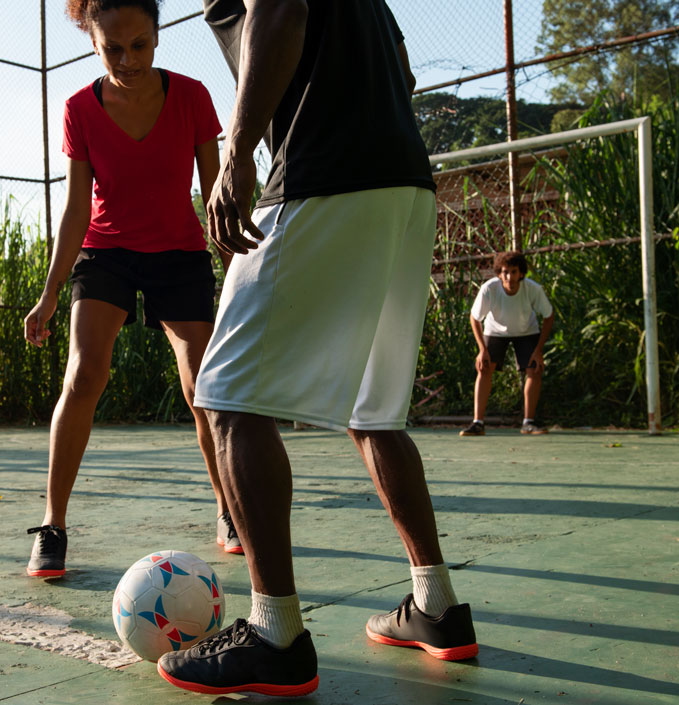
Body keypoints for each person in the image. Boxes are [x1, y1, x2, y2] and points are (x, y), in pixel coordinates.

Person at [156, 0, 478, 696]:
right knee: (374, 410)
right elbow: (402, 71)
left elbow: (281, 8)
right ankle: (438, 605)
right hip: (402, 179)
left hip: (324, 173)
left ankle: (275, 633)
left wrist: (238, 151)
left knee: (226, 398)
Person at [21, 0, 236, 579]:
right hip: (107, 253)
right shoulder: (78, 109)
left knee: (201, 387)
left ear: (158, 37)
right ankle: (53, 524)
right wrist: (48, 293)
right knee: (85, 373)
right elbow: (73, 211)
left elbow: (215, 193)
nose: (126, 58)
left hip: (179, 254)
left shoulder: (192, 97)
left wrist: (237, 270)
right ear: (93, 43)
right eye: (112, 47)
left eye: (138, 44)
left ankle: (228, 510)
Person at [460, 251, 554, 437]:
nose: (509, 277)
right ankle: (478, 423)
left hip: (526, 331)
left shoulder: (533, 289)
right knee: (484, 368)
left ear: (521, 274)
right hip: (495, 331)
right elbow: (474, 318)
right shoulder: (489, 289)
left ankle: (528, 422)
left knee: (534, 369)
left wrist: (538, 350)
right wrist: (482, 350)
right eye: (505, 272)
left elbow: (548, 316)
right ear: (499, 274)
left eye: (513, 272)